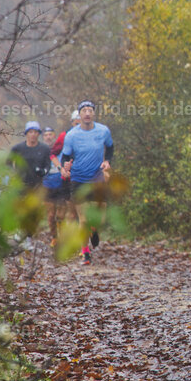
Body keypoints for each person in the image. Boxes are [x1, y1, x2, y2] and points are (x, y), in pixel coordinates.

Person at [61, 100, 113, 265]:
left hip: (97, 176)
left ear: (94, 114)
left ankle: (94, 229)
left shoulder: (103, 130)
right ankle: (85, 253)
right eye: (84, 110)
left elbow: (110, 147)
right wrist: (66, 165)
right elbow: (65, 156)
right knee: (82, 219)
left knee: (101, 218)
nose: (87, 113)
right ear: (80, 114)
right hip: (78, 179)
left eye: (90, 110)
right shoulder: (72, 135)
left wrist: (108, 161)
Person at [9, 121, 51, 189]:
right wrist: (14, 175)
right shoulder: (17, 148)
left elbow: (48, 165)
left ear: (39, 134)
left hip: (38, 186)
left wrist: (44, 171)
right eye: (30, 132)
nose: (33, 134)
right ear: (26, 133)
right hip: (20, 185)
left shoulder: (45, 149)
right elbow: (8, 164)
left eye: (35, 132)